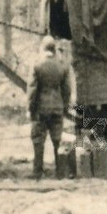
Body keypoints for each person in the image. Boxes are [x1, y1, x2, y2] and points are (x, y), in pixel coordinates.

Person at [27, 35, 72, 180]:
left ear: (43, 48)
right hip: (57, 108)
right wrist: (64, 106)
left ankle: (37, 173)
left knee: (38, 141)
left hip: (41, 109)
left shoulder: (37, 65)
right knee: (58, 140)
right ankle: (60, 173)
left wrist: (30, 108)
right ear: (54, 49)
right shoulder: (62, 65)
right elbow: (67, 90)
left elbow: (32, 90)